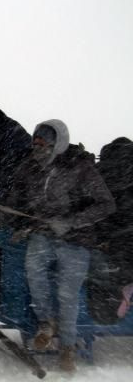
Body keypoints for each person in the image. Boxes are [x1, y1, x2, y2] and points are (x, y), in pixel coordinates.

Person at [3, 120, 115, 372]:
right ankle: (46, 322)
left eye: (44, 143)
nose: (37, 147)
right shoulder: (30, 167)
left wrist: (70, 222)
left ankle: (67, 347)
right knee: (34, 272)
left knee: (68, 294)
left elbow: (106, 204)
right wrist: (10, 219)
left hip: (77, 239)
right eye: (35, 142)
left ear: (59, 143)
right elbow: (15, 197)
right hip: (42, 233)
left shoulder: (80, 167)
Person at [86, 137, 133, 322]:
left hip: (105, 241)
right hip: (124, 241)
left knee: (104, 274)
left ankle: (112, 304)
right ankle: (121, 294)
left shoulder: (97, 172)